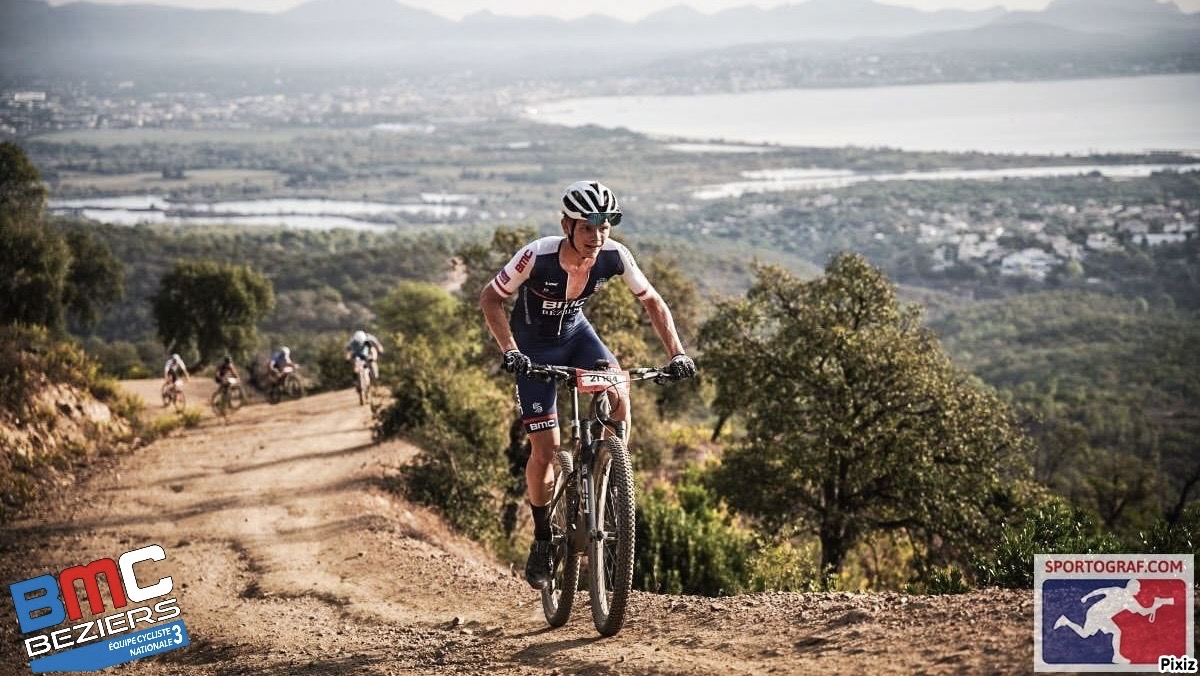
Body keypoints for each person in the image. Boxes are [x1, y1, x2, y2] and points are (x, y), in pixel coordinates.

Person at [479, 180, 696, 590]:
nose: (596, 236)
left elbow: (652, 301)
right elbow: (490, 298)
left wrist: (678, 353)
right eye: (587, 227)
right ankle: (543, 540)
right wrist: (509, 350)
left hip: (578, 338)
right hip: (534, 351)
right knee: (544, 450)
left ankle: (611, 471)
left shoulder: (615, 256)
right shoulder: (535, 256)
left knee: (618, 391)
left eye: (605, 226)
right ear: (567, 225)